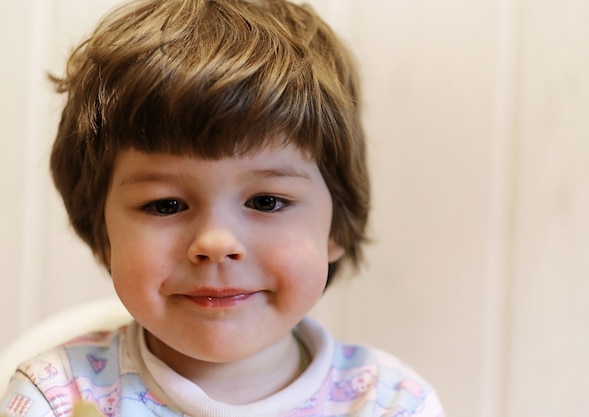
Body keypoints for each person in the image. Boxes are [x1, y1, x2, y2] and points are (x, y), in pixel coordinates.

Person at [0, 0, 446, 416]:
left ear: (336, 228)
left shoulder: (388, 403)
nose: (215, 243)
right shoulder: (57, 397)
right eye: (166, 204)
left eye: (266, 201)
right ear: (102, 236)